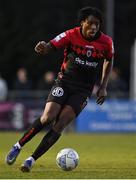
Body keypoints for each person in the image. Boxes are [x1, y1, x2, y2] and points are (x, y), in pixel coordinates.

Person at [6, 6, 114, 172]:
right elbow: (52, 44)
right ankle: (18, 146)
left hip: (83, 90)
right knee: (48, 116)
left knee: (61, 123)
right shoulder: (71, 34)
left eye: (97, 24)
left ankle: (31, 160)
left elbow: (109, 59)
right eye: (91, 23)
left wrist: (103, 86)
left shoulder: (106, 42)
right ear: (82, 23)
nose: (94, 27)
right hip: (64, 82)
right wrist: (44, 47)